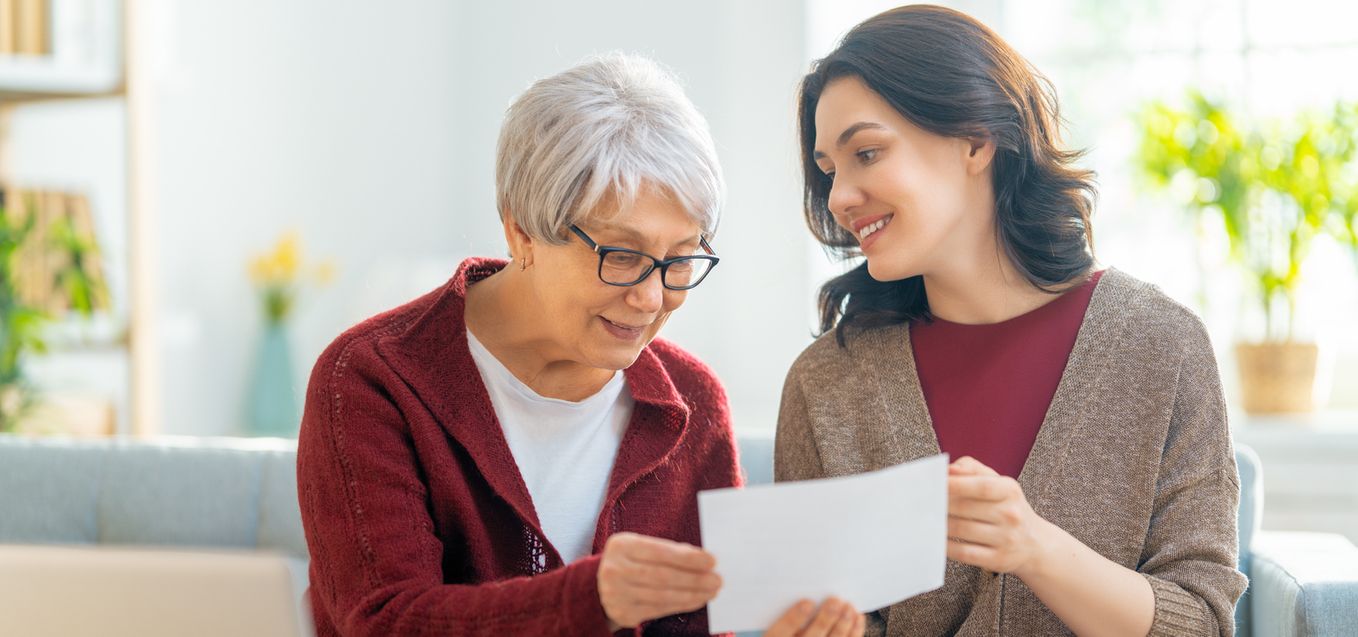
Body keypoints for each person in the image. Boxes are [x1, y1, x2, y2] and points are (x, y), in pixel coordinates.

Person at [298, 53, 862, 636]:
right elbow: (387, 622)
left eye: (679, 260)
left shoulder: (693, 402)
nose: (650, 298)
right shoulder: (372, 379)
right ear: (522, 229)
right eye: (621, 255)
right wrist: (593, 599)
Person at [776, 6, 1247, 635]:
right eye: (830, 171)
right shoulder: (826, 383)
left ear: (975, 139)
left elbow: (1204, 622)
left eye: (866, 152)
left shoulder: (1161, 346)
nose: (837, 199)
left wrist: (1033, 547)